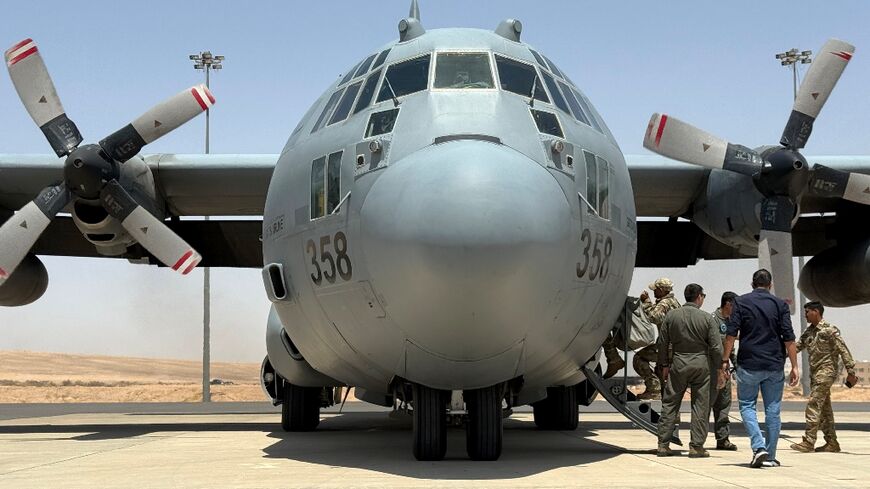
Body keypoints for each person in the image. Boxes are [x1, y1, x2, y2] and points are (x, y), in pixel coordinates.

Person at [721, 269, 799, 468]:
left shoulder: (741, 302)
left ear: (752, 284)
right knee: (773, 410)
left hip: (749, 364)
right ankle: (770, 456)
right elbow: (789, 338)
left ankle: (758, 447)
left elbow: (731, 335)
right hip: (774, 364)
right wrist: (795, 366)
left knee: (747, 406)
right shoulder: (780, 304)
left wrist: (724, 361)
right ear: (770, 284)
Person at [656, 284, 722, 458]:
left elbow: (662, 343)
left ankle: (663, 444)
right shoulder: (707, 318)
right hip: (702, 364)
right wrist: (720, 367)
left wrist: (663, 365)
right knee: (700, 405)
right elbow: (716, 347)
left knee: (670, 403)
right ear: (699, 297)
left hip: (678, 363)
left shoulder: (671, 316)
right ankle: (696, 446)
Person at [790, 301, 858, 453]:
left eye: (807, 312)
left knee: (814, 403)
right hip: (815, 374)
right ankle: (832, 443)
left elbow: (843, 349)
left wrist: (851, 371)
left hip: (826, 372)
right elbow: (797, 347)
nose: (805, 315)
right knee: (825, 409)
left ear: (816, 312)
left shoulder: (829, 330)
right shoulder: (809, 332)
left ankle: (809, 441)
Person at [634, 277, 682, 400]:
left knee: (639, 358)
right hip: (674, 346)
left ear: (661, 290)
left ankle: (653, 388)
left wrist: (646, 302)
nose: (654, 292)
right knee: (664, 377)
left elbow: (654, 317)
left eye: (655, 289)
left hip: (667, 347)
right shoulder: (675, 302)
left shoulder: (664, 304)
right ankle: (672, 415)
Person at [710, 291, 738, 451]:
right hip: (713, 370)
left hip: (725, 371)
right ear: (728, 304)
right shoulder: (712, 320)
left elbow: (730, 348)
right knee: (706, 405)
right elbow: (712, 347)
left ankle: (722, 439)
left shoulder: (731, 321)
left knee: (724, 405)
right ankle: (697, 441)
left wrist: (736, 366)